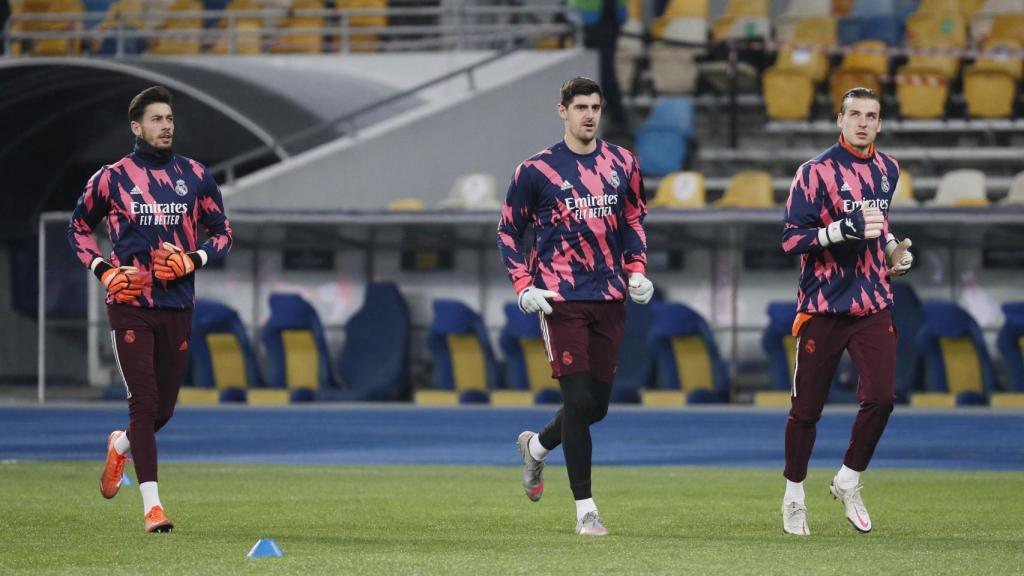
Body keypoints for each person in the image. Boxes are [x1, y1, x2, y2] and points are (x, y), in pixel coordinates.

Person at [67, 86, 233, 533]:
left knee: (163, 412)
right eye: (157, 119)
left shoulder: (195, 174)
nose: (167, 126)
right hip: (130, 304)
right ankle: (152, 508)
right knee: (144, 404)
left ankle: (119, 447)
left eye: (170, 119)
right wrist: (103, 269)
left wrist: (192, 258)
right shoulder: (112, 177)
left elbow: (222, 232)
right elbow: (78, 227)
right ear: (136, 127)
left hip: (177, 304)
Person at [497, 76, 652, 537]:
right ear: (561, 110)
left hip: (609, 296)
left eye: (596, 107)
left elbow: (632, 218)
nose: (589, 114)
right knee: (579, 399)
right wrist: (523, 285)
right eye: (580, 106)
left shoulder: (623, 163)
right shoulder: (536, 171)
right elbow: (508, 231)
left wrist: (638, 268)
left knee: (595, 407)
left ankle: (537, 448)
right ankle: (586, 511)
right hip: (559, 298)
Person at [779, 87, 914, 536]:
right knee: (807, 410)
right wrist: (839, 230)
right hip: (823, 304)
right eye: (854, 114)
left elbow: (879, 223)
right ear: (839, 120)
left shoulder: (889, 169)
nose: (862, 122)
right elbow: (792, 238)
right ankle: (794, 496)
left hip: (873, 301)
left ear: (879, 123)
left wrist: (893, 250)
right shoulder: (814, 172)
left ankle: (848, 480)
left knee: (881, 398)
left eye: (871, 116)